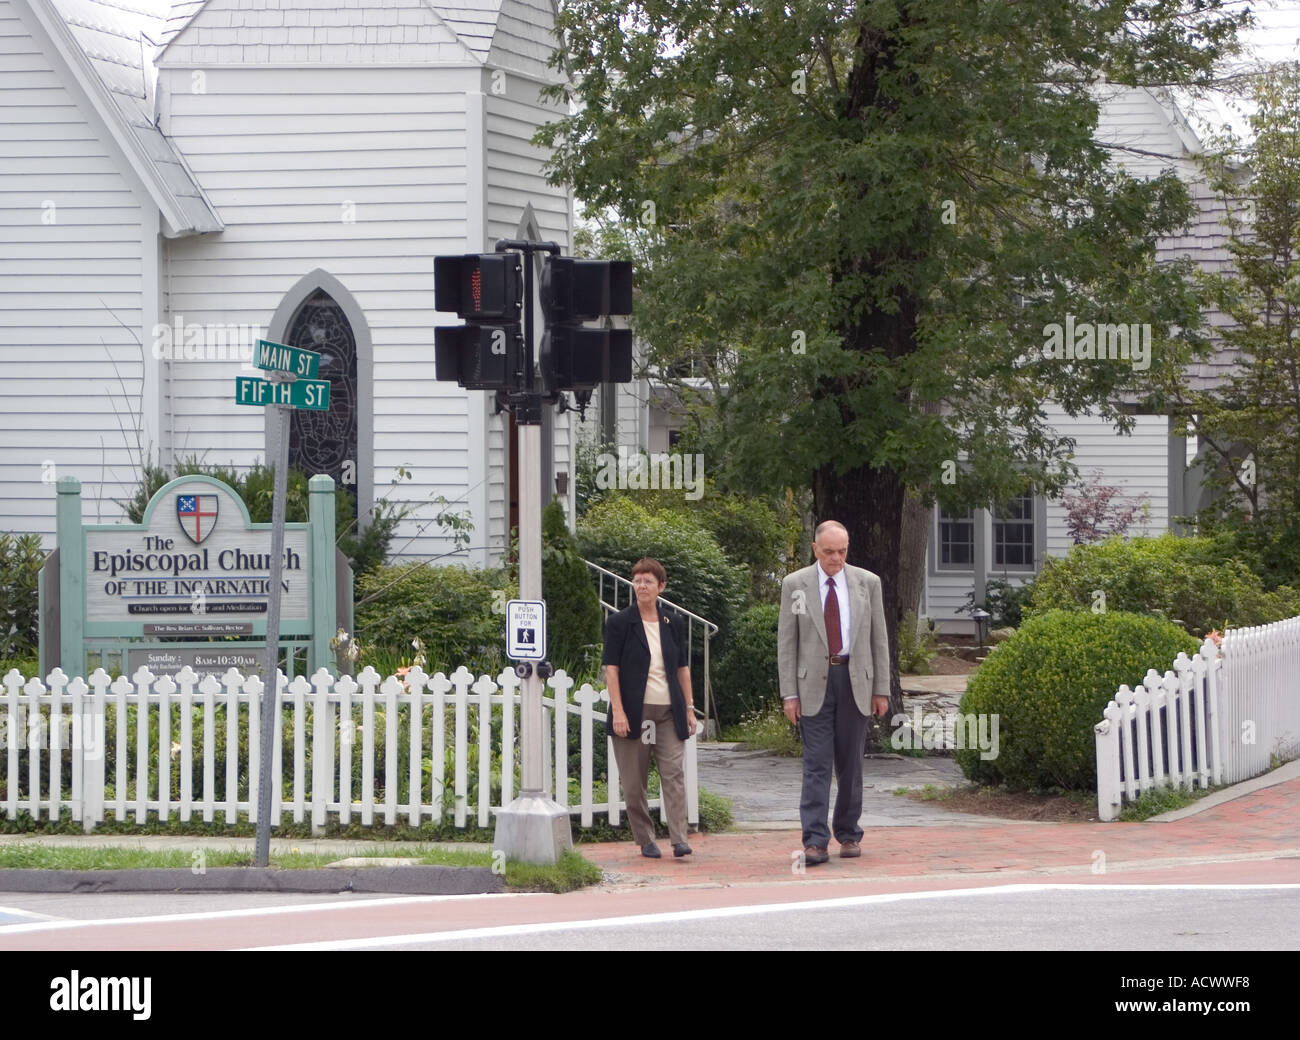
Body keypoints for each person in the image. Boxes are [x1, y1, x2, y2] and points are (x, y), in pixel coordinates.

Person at [777, 520, 890, 865]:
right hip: (812, 685)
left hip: (855, 681)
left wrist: (881, 689)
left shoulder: (867, 583)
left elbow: (879, 638)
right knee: (816, 765)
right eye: (829, 552)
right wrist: (789, 694)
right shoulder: (795, 584)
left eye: (842, 551)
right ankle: (814, 840)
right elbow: (787, 642)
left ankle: (849, 833)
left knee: (851, 764)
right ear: (815, 549)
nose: (836, 558)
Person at [603, 558, 697, 859]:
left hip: (668, 712)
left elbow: (682, 668)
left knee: (673, 773)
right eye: (638, 580)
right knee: (635, 779)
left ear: (661, 586)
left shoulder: (673, 623)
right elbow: (612, 670)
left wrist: (690, 707)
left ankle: (679, 838)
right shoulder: (619, 623)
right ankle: (645, 839)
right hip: (636, 713)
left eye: (648, 581)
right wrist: (618, 711)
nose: (642, 586)